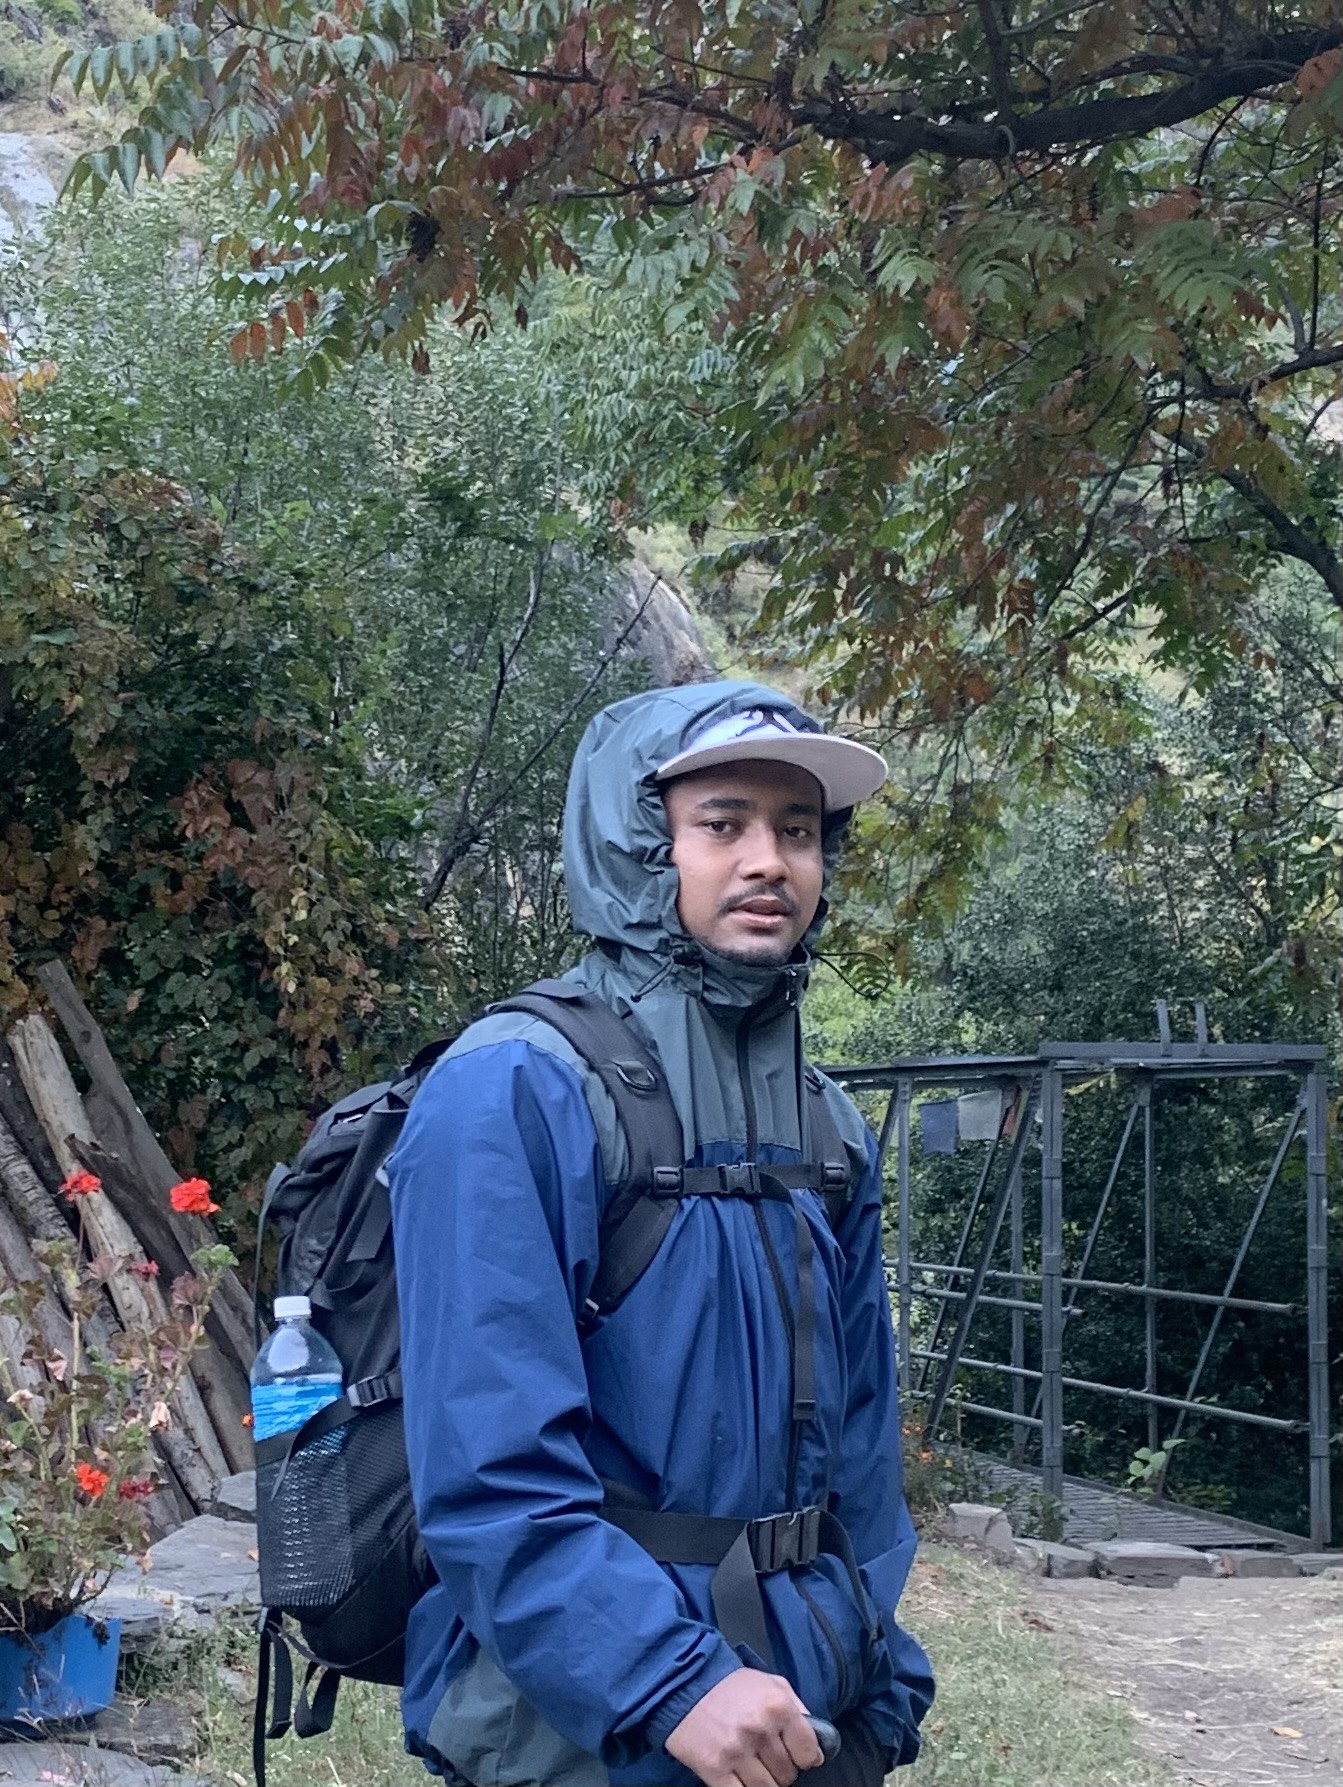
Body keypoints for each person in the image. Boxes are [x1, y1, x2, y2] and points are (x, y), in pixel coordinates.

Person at [388, 681, 934, 1787]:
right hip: (581, 1729)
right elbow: (489, 1473)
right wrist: (666, 1682)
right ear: (639, 843)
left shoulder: (823, 1123)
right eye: (721, 823)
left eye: (796, 830)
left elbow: (863, 1445)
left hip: (802, 1712)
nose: (769, 861)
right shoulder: (513, 1088)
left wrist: (876, 1663)